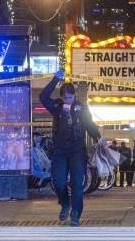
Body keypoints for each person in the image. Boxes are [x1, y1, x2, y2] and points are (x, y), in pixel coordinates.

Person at [39, 69, 102, 226]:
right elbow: (43, 97)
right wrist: (54, 79)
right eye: (66, 97)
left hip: (77, 150)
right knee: (58, 181)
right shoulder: (57, 107)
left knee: (77, 183)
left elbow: (89, 124)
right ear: (61, 97)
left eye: (71, 97)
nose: (68, 100)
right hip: (60, 150)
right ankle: (65, 203)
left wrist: (99, 137)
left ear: (74, 95)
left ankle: (75, 214)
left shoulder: (81, 107)